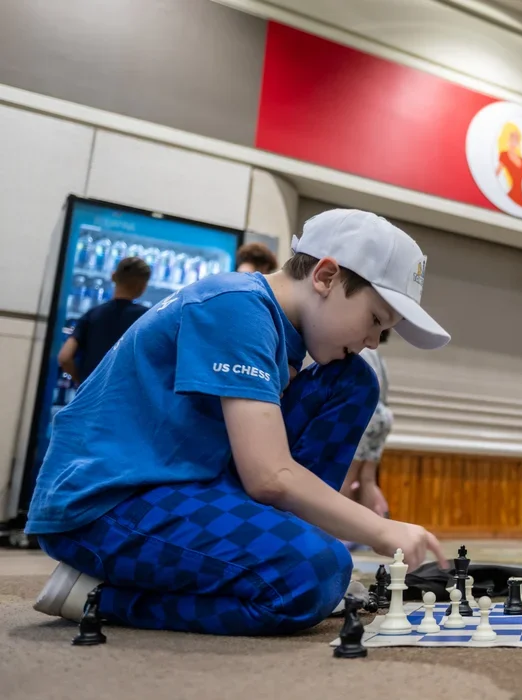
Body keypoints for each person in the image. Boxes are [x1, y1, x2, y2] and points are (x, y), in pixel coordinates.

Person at [27, 209, 450, 635]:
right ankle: (98, 596)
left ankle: (278, 545)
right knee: (313, 574)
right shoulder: (237, 306)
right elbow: (268, 475)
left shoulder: (278, 329)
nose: (374, 341)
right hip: (103, 506)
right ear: (325, 276)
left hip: (182, 483)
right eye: (375, 320)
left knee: (354, 382)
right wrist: (379, 529)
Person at [57, 257, 151, 385]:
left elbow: (64, 357)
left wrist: (83, 382)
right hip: (128, 397)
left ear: (113, 276)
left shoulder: (92, 315)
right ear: (143, 286)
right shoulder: (147, 318)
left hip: (91, 397)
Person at [341, 328, 394, 529]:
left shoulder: (360, 352)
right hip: (384, 415)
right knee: (367, 478)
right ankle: (376, 527)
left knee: (347, 476)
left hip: (368, 412)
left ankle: (341, 529)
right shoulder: (380, 358)